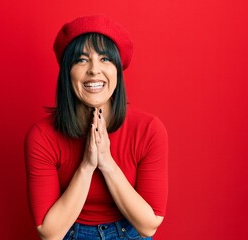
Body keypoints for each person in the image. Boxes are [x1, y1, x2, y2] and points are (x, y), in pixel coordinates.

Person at [25, 15, 168, 240]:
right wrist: (88, 165)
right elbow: (50, 233)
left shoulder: (149, 130)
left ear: (117, 71)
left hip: (130, 233)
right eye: (81, 60)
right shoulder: (42, 136)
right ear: (67, 73)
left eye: (105, 59)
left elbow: (148, 226)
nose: (94, 70)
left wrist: (107, 163)